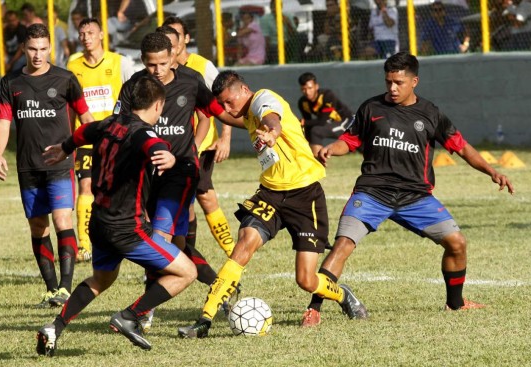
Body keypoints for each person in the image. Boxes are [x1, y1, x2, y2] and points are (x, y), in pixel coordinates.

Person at [303, 51, 514, 326]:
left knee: (457, 243)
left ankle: (455, 304)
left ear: (414, 81)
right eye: (388, 81)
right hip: (372, 193)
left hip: (415, 197)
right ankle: (314, 308)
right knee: (342, 245)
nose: (392, 88)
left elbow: (462, 147)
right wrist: (334, 148)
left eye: (399, 82)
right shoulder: (371, 108)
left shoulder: (430, 114)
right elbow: (350, 141)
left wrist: (492, 171)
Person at [177, 70, 368, 338]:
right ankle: (205, 320)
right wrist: (196, 91)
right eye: (225, 104)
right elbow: (222, 114)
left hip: (305, 195)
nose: (229, 109)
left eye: (231, 101)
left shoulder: (262, 99)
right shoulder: (244, 112)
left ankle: (341, 293)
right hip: (270, 195)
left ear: (244, 89)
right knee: (244, 243)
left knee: (306, 280)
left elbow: (272, 118)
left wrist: (272, 133)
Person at [36, 75, 197, 356]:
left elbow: (85, 131)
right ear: (158, 105)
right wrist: (167, 155)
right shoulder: (142, 132)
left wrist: (65, 148)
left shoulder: (109, 123)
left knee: (101, 280)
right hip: (127, 229)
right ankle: (130, 316)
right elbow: (152, 144)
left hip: (99, 223)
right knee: (186, 272)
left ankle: (54, 327)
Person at [116, 32, 240, 329]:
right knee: (179, 248)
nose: (156, 70)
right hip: (145, 177)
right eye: (150, 64)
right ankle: (222, 289)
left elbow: (219, 112)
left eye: (161, 63)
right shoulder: (134, 86)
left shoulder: (191, 80)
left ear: (173, 55)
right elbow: (118, 128)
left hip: (181, 173)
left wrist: (257, 121)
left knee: (158, 243)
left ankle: (141, 310)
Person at [0, 23, 95, 308]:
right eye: (33, 49)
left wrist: (103, 145)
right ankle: (51, 290)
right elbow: (3, 122)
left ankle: (65, 287)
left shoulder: (65, 79)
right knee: (38, 227)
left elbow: (86, 120)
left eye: (43, 49)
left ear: (51, 48)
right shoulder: (11, 83)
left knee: (62, 220)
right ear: (24, 49)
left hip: (60, 164)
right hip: (28, 167)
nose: (38, 55)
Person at [162, 16, 236, 260]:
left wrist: (225, 138)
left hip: (201, 147)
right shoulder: (160, 70)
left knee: (204, 196)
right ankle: (184, 254)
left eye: (176, 35)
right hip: (171, 148)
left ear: (185, 39)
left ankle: (230, 252)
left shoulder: (201, 67)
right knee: (188, 204)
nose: (172, 42)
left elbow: (221, 103)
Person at [67, 17, 135, 263]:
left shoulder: (121, 63)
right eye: (82, 33)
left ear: (102, 34)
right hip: (87, 139)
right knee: (86, 187)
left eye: (90, 32)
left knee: (120, 190)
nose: (85, 37)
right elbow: (71, 104)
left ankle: (123, 238)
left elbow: (135, 95)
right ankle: (84, 246)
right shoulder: (73, 65)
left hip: (116, 139)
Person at [297, 72, 354, 157]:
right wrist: (307, 144)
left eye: (310, 88)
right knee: (314, 132)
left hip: (347, 122)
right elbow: (308, 125)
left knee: (316, 131)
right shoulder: (303, 102)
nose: (307, 92)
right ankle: (317, 165)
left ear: (316, 86)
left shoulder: (327, 96)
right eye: (304, 89)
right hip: (330, 123)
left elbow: (322, 121)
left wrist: (302, 122)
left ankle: (319, 164)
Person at [0, 10, 27, 75]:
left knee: (18, 65)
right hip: (8, 55)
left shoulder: (22, 30)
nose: (11, 23)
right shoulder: (3, 30)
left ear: (17, 20)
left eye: (13, 20)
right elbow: (2, 47)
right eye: (9, 21)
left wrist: (10, 63)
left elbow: (21, 50)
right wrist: (4, 62)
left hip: (20, 56)